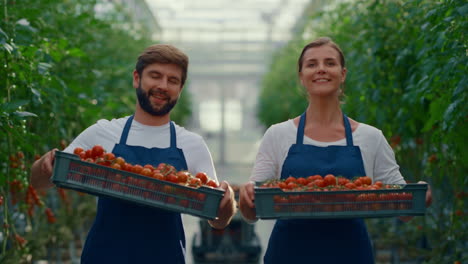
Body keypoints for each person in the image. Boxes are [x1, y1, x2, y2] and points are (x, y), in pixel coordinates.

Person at [31, 44, 237, 264]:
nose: (163, 86)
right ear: (137, 79)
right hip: (103, 257)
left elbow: (217, 219)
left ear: (180, 89)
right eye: (155, 76)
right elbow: (40, 183)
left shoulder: (192, 144)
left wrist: (228, 204)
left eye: (172, 80)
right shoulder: (104, 133)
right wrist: (44, 165)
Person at [239, 37, 432, 264]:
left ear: (343, 74)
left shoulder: (370, 137)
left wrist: (420, 195)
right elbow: (253, 210)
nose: (321, 69)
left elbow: (402, 208)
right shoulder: (278, 135)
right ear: (302, 77)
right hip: (289, 253)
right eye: (312, 64)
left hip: (350, 253)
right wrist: (246, 197)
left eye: (330, 63)